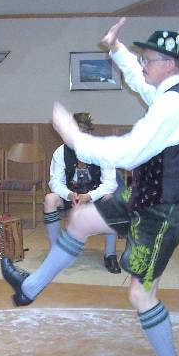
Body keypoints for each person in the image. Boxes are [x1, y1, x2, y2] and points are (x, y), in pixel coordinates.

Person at [2, 17, 179, 356]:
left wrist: (74, 137)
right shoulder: (168, 94)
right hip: (146, 199)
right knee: (80, 219)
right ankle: (29, 287)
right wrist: (116, 48)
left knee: (141, 294)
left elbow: (128, 153)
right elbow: (139, 81)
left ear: (168, 64)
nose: (143, 64)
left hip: (161, 214)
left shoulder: (173, 106)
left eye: (148, 59)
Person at [45, 112, 120, 274]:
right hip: (71, 196)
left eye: (84, 132)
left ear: (90, 133)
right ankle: (54, 253)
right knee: (50, 199)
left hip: (94, 195)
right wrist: (68, 194)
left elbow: (110, 183)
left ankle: (110, 254)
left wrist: (90, 196)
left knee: (111, 200)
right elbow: (55, 182)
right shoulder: (61, 152)